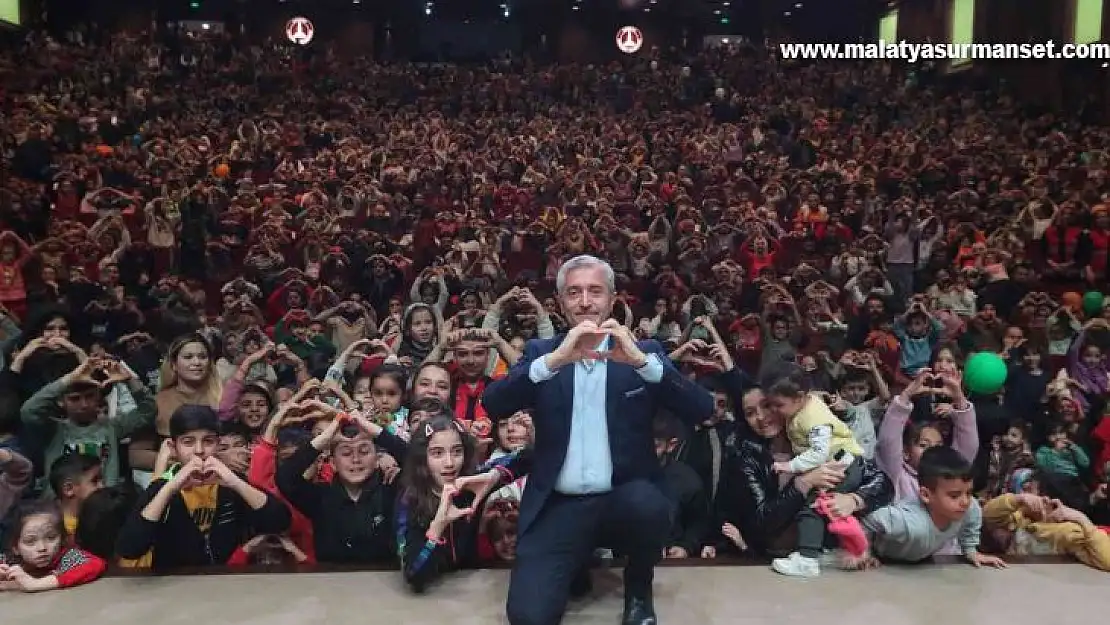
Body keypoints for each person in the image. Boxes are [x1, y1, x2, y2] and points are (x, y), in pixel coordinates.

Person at [483, 255, 714, 625]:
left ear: (612, 299)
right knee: (528, 617)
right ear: (560, 304)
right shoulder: (542, 353)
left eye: (595, 291)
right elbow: (493, 404)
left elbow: (702, 409)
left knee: (648, 504)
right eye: (574, 293)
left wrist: (642, 364)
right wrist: (554, 362)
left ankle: (639, 587)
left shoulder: (646, 353)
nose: (585, 301)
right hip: (559, 503)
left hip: (623, 497)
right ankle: (576, 563)